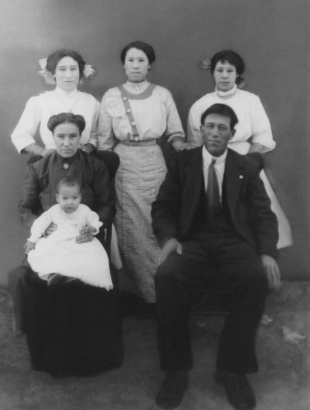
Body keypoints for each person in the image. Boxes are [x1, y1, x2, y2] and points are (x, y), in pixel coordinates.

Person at [151, 104, 280, 410]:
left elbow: (263, 215)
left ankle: (232, 370)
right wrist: (169, 239)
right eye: (210, 126)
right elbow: (163, 206)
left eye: (223, 128)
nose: (215, 133)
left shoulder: (246, 167)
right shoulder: (183, 162)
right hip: (191, 239)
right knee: (167, 277)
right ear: (201, 130)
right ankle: (176, 371)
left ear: (232, 134)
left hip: (232, 239)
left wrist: (266, 253)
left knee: (254, 278)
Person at [9, 113, 123, 378]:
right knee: (41, 282)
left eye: (73, 136)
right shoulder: (39, 167)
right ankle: (53, 361)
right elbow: (24, 209)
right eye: (61, 136)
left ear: (81, 137)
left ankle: (90, 360)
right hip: (51, 239)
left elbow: (107, 204)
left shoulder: (95, 166)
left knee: (89, 280)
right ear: (52, 137)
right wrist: (41, 227)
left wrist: (94, 227)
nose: (67, 142)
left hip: (84, 236)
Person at [98, 40, 186, 303]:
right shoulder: (112, 96)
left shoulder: (162, 95)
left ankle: (165, 292)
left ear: (150, 64)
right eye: (131, 60)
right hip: (124, 164)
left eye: (141, 60)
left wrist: (182, 145)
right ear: (123, 64)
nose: (136, 65)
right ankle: (140, 293)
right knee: (130, 228)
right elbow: (104, 141)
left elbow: (175, 132)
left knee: (156, 220)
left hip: (155, 162)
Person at [187, 50, 292, 249]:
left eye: (230, 70)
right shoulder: (200, 105)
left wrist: (249, 162)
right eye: (220, 70)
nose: (224, 75)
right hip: (212, 163)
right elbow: (194, 143)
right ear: (213, 73)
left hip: (245, 159)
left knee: (253, 212)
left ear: (237, 74)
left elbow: (262, 134)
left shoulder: (250, 100)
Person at [26, 176, 112, 289]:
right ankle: (53, 275)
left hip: (79, 239)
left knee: (93, 256)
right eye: (65, 198)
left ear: (80, 197)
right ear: (57, 198)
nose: (70, 202)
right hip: (58, 239)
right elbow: (40, 223)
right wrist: (33, 240)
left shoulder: (84, 210)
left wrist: (92, 228)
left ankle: (75, 276)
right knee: (46, 251)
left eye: (74, 198)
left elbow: (94, 219)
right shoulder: (54, 211)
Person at [11, 49, 99, 156]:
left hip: (84, 160)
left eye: (73, 69)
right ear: (53, 73)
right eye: (62, 69)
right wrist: (42, 152)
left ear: (80, 73)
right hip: (51, 161)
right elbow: (20, 135)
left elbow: (95, 135)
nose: (68, 75)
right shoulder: (40, 101)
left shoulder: (91, 102)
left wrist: (88, 149)